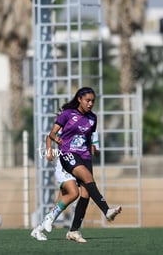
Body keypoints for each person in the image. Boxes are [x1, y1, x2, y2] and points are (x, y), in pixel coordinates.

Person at [49, 87, 121, 243]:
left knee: (86, 194)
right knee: (86, 179)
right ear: (80, 99)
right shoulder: (67, 114)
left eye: (93, 101)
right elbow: (52, 133)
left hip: (85, 156)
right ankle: (107, 210)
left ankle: (74, 231)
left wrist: (92, 148)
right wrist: (55, 140)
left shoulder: (93, 118)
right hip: (68, 153)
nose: (90, 103)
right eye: (88, 100)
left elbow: (88, 137)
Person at [31, 130, 100, 241]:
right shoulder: (69, 124)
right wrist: (49, 151)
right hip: (65, 165)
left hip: (82, 167)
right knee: (74, 193)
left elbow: (96, 152)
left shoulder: (92, 128)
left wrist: (94, 149)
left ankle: (38, 230)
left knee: (60, 201)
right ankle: (51, 218)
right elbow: (49, 136)